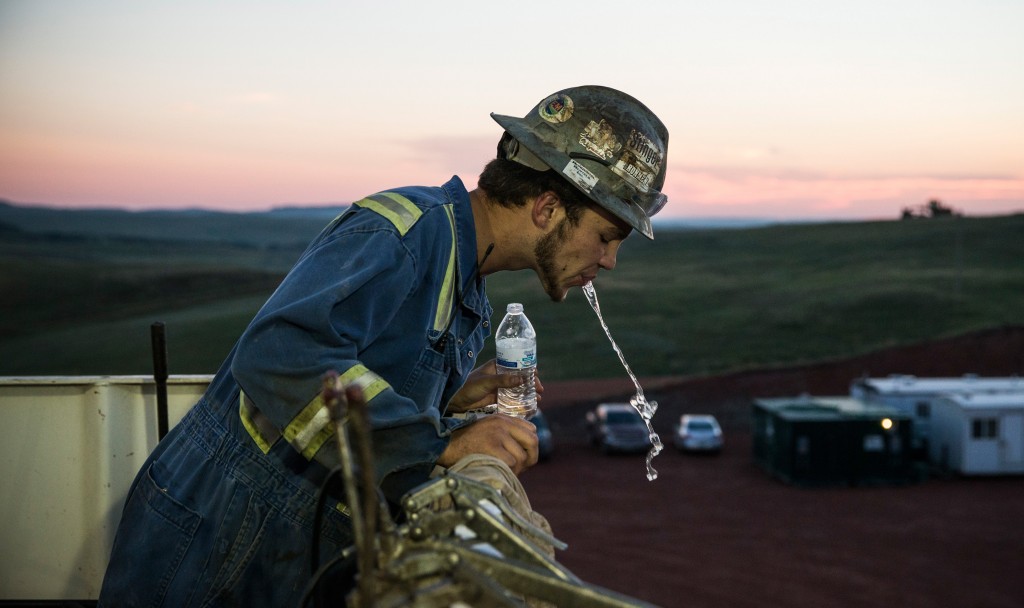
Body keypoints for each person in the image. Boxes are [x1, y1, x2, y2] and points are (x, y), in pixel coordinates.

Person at [98, 84, 669, 607]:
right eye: (606, 236)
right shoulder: (405, 233)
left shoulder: (467, 286)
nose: (608, 261)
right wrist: (439, 446)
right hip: (218, 530)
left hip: (293, 546)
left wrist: (452, 399)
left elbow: (359, 375)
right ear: (547, 207)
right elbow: (281, 354)